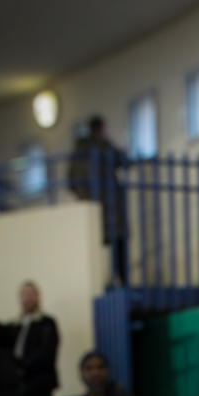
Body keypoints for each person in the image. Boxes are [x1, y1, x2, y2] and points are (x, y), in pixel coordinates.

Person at [68, 116, 128, 285]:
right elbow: (124, 161)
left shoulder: (78, 151)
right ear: (100, 128)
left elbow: (70, 181)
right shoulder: (103, 145)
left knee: (94, 251)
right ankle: (122, 284)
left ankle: (103, 284)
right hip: (111, 207)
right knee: (118, 247)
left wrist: (84, 196)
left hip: (91, 210)